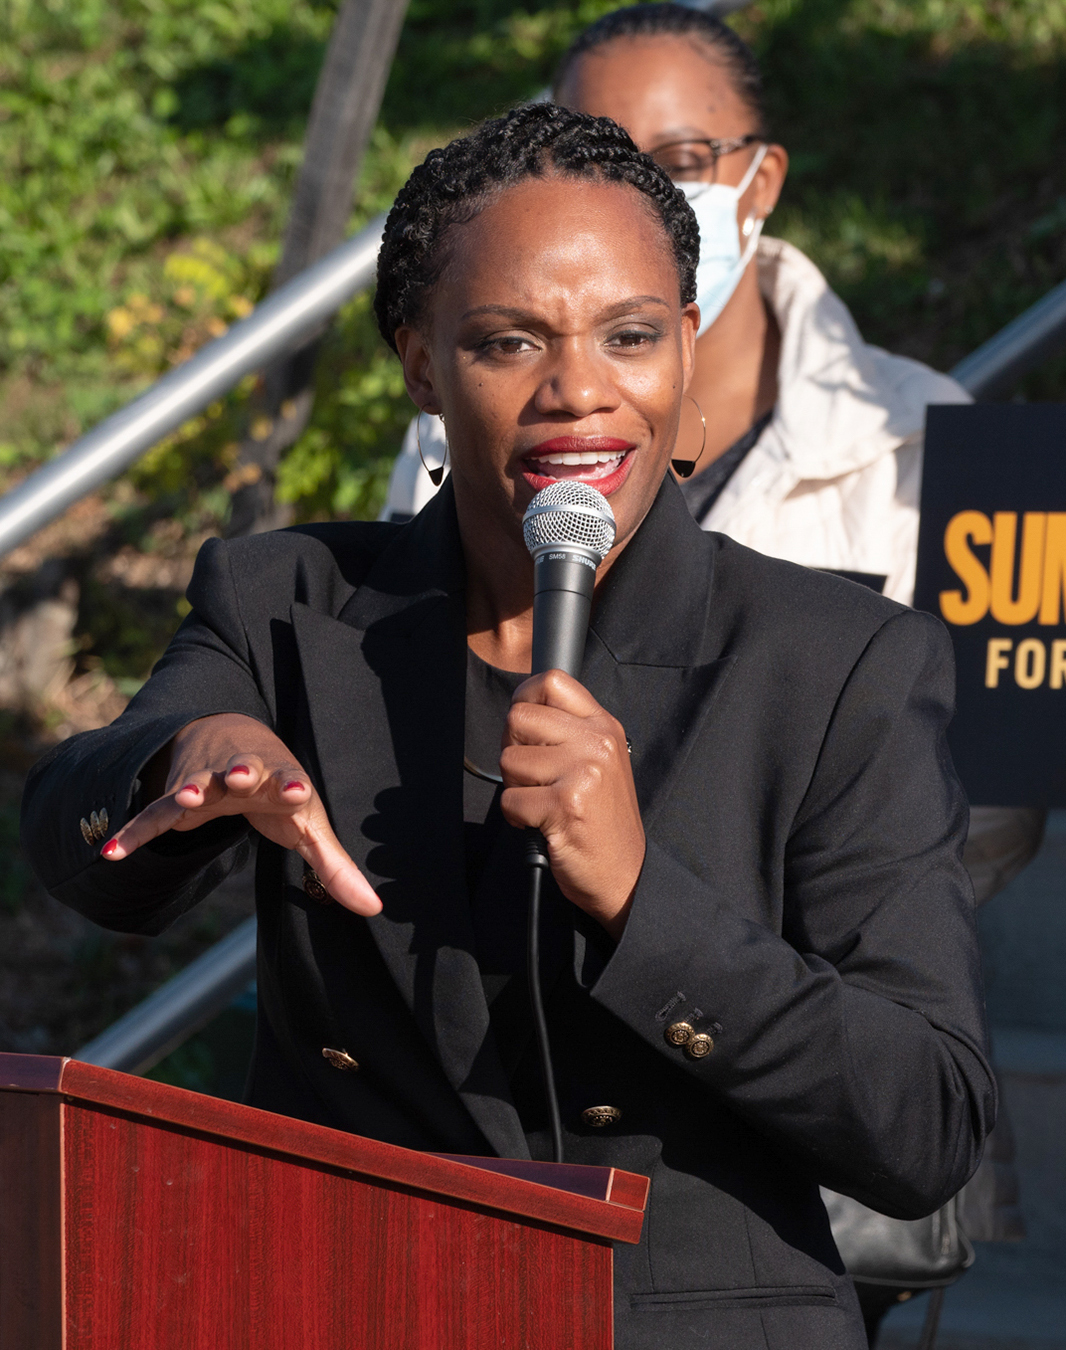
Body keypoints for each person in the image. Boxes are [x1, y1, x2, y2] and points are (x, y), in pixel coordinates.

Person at [22, 104, 993, 1350]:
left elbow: (927, 1127)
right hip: (337, 1300)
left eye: (631, 336)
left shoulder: (833, 663)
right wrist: (181, 758)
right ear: (422, 363)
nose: (580, 391)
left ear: (686, 349)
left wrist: (646, 902)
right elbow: (69, 835)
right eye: (507, 341)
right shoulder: (287, 605)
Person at [382, 3, 1044, 906]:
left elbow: (993, 811)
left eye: (683, 160)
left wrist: (674, 912)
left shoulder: (937, 437)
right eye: (598, 149)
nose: (641, 188)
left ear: (762, 180)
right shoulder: (458, 428)